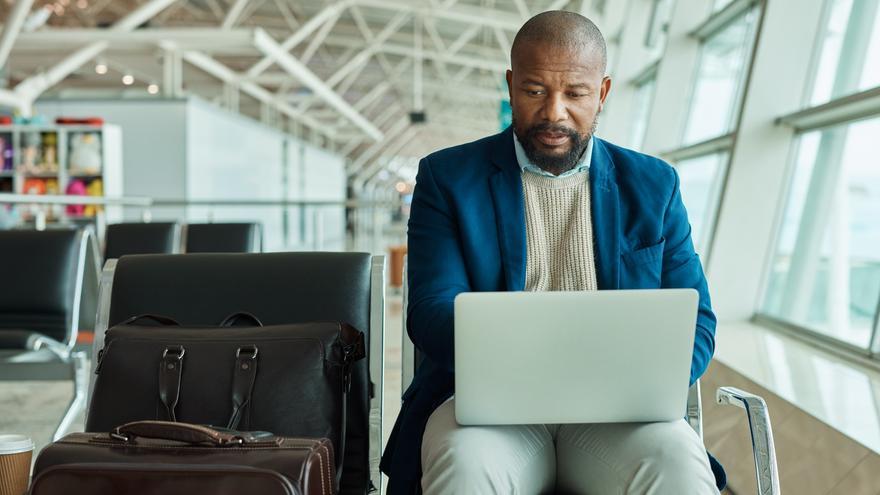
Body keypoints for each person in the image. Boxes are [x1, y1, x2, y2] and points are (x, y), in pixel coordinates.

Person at [380, 10, 721, 494]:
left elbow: (698, 322)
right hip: (489, 411)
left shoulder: (653, 184)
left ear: (601, 93)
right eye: (535, 90)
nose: (554, 112)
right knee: (466, 467)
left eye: (575, 93)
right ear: (511, 84)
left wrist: (645, 384)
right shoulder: (448, 178)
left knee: (679, 469)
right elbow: (431, 312)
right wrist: (527, 364)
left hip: (620, 415)